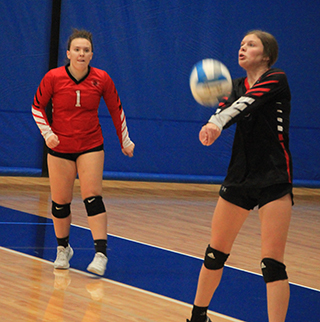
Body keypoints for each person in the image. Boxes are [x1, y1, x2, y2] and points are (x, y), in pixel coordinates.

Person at [187, 30, 293, 322]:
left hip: (273, 176)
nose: (242, 48)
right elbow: (225, 105)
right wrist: (212, 123)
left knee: (272, 264)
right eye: (241, 44)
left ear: (266, 55)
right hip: (239, 176)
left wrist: (216, 124)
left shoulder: (276, 79)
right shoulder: (233, 85)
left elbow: (243, 104)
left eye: (251, 44)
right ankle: (198, 317)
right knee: (214, 253)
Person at [32, 29, 135, 276]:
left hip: (90, 144)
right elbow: (37, 107)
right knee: (60, 202)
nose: (81, 53)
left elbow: (116, 109)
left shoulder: (102, 79)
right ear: (68, 53)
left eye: (86, 50)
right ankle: (63, 249)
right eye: (77, 50)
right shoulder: (53, 77)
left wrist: (125, 141)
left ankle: (100, 253)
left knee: (92, 196)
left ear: (91, 54)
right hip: (60, 147)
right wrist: (48, 133)